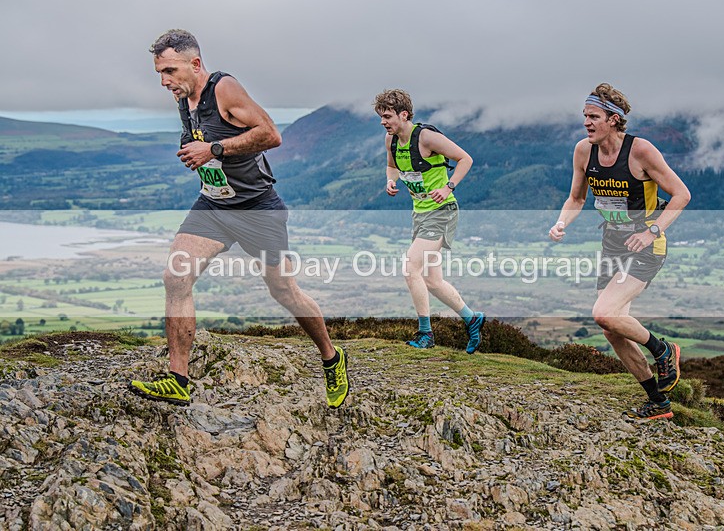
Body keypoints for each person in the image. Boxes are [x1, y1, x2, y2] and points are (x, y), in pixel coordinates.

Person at [129, 29, 349, 408]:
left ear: (195, 64)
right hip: (214, 206)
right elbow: (202, 143)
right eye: (159, 73)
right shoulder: (185, 98)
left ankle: (331, 357)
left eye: (169, 70)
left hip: (257, 209)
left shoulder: (224, 88)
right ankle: (178, 378)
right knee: (176, 276)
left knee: (284, 292)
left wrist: (213, 148)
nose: (164, 81)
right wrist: (195, 154)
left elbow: (270, 134)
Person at [549, 83, 691, 420]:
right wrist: (562, 223)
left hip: (646, 246)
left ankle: (663, 349)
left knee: (603, 313)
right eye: (585, 116)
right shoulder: (584, 151)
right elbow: (577, 198)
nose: (586, 123)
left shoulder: (641, 151)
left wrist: (651, 230)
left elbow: (682, 194)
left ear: (614, 119)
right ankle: (658, 402)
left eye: (593, 116)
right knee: (612, 329)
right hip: (612, 245)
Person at [374, 89, 484, 353]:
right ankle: (472, 319)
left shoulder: (426, 137)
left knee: (410, 267)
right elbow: (392, 166)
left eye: (387, 116)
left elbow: (465, 159)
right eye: (380, 116)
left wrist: (449, 187)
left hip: (442, 211)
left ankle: (426, 334)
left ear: (404, 114)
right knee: (433, 281)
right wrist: (391, 180)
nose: (383, 121)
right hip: (420, 214)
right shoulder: (390, 140)